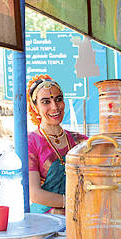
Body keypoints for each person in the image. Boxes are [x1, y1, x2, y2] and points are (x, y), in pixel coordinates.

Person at [27, 75, 87, 215]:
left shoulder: (80, 141)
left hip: (78, 214)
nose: (54, 107)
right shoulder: (31, 143)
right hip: (45, 218)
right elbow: (35, 194)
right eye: (46, 102)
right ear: (35, 107)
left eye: (58, 99)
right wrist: (73, 202)